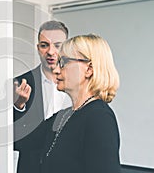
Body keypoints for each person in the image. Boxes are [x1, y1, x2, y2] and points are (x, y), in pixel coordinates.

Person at [39, 34, 121, 173]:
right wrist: (20, 105)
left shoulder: (99, 118)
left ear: (89, 69)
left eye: (64, 62)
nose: (56, 69)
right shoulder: (65, 115)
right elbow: (22, 140)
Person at [13, 20, 72, 173]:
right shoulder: (19, 83)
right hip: (32, 167)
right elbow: (12, 137)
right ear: (38, 48)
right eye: (45, 45)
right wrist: (18, 105)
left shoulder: (77, 83)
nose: (51, 52)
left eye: (57, 45)